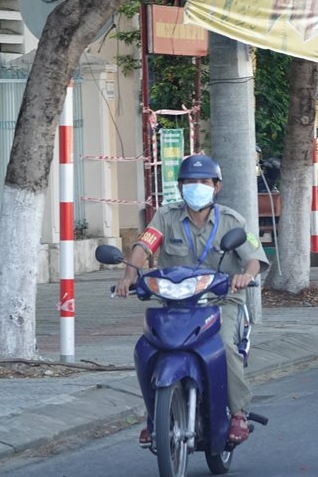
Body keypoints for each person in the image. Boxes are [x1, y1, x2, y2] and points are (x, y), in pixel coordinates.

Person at [115, 154, 269, 446]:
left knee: (224, 346)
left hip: (220, 303)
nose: (196, 186)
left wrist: (245, 277)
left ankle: (237, 412)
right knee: (147, 348)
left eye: (203, 181)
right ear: (180, 186)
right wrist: (130, 274)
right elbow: (144, 246)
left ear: (216, 186)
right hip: (175, 306)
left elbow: (253, 258)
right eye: (189, 182)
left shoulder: (232, 221)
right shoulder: (166, 216)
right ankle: (154, 416)